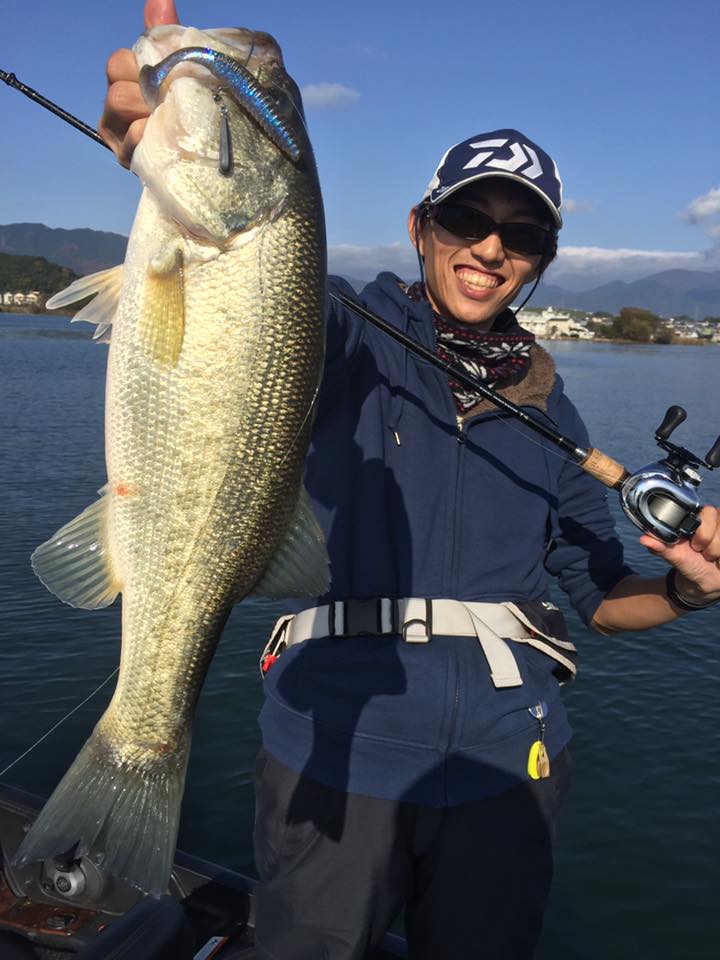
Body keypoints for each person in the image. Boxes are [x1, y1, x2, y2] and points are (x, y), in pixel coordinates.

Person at [101, 3, 720, 957]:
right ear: (420, 226)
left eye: (522, 235)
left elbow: (601, 599)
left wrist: (686, 591)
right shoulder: (345, 330)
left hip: (509, 768)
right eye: (467, 217)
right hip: (333, 753)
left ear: (540, 264)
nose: (490, 248)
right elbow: (252, 300)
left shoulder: (556, 416)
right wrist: (164, 154)